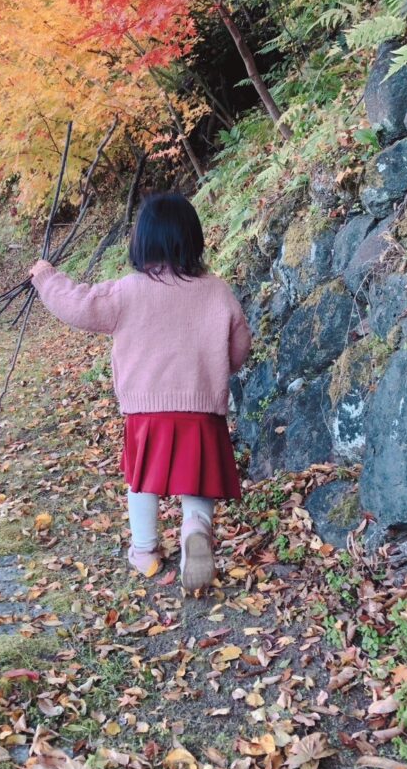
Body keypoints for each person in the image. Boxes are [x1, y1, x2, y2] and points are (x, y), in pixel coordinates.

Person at [29, 192, 251, 591]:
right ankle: (195, 530)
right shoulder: (217, 291)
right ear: (193, 239)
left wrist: (47, 277)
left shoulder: (127, 291)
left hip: (146, 412)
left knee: (142, 480)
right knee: (196, 479)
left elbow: (77, 305)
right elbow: (238, 349)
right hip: (201, 410)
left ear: (141, 241)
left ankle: (145, 552)